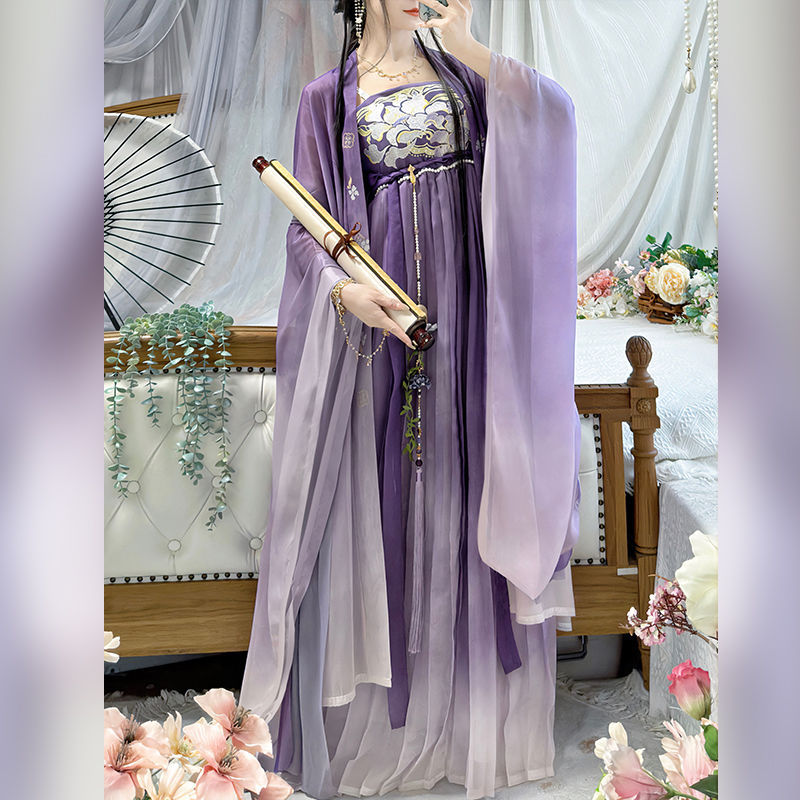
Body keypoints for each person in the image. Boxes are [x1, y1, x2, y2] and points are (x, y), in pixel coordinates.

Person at [240, 1, 582, 797]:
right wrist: (343, 291)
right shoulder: (327, 97)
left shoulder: (466, 76)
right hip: (384, 328)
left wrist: (470, 45)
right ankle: (395, 723)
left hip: (473, 322)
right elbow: (306, 227)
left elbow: (553, 121)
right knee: (403, 493)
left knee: (468, 488)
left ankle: (471, 724)